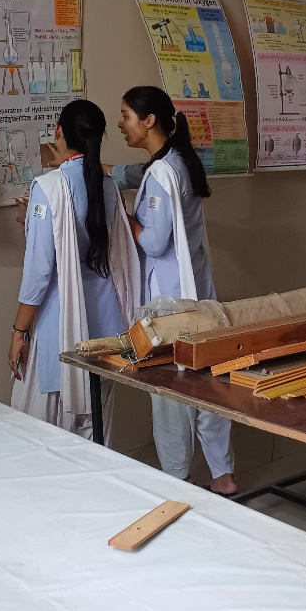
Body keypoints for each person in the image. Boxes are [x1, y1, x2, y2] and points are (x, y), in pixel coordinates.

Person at [119, 86, 237, 496]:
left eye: (126, 116)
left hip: (169, 302)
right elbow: (137, 174)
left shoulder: (162, 174)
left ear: (148, 120)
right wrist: (103, 172)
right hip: (196, 291)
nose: (121, 124)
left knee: (170, 390)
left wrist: (124, 217)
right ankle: (223, 473)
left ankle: (177, 479)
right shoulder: (178, 161)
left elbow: (154, 242)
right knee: (206, 381)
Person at [8, 100, 139, 439]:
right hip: (105, 325)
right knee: (95, 430)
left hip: (61, 325)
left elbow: (39, 272)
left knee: (45, 431)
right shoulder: (108, 185)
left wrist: (19, 331)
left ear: (59, 131)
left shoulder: (48, 187)